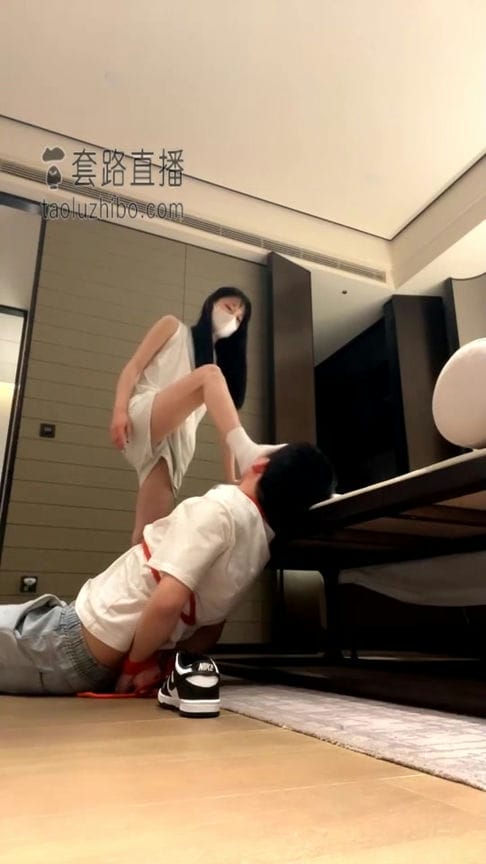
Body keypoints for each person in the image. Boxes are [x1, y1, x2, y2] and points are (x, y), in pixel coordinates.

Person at [0, 443, 335, 711]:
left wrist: (134, 665)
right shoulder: (258, 547)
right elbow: (209, 630)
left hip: (74, 638)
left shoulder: (219, 509)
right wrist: (156, 660)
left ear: (260, 466)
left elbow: (168, 601)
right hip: (95, 662)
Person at [111, 287, 270, 544]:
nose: (233, 318)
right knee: (210, 374)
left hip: (177, 444)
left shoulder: (217, 370)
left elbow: (225, 427)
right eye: (229, 308)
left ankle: (136, 574)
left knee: (148, 535)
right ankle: (247, 450)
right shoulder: (173, 328)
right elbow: (134, 366)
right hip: (145, 413)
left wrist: (231, 477)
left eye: (239, 318)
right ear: (211, 304)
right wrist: (119, 410)